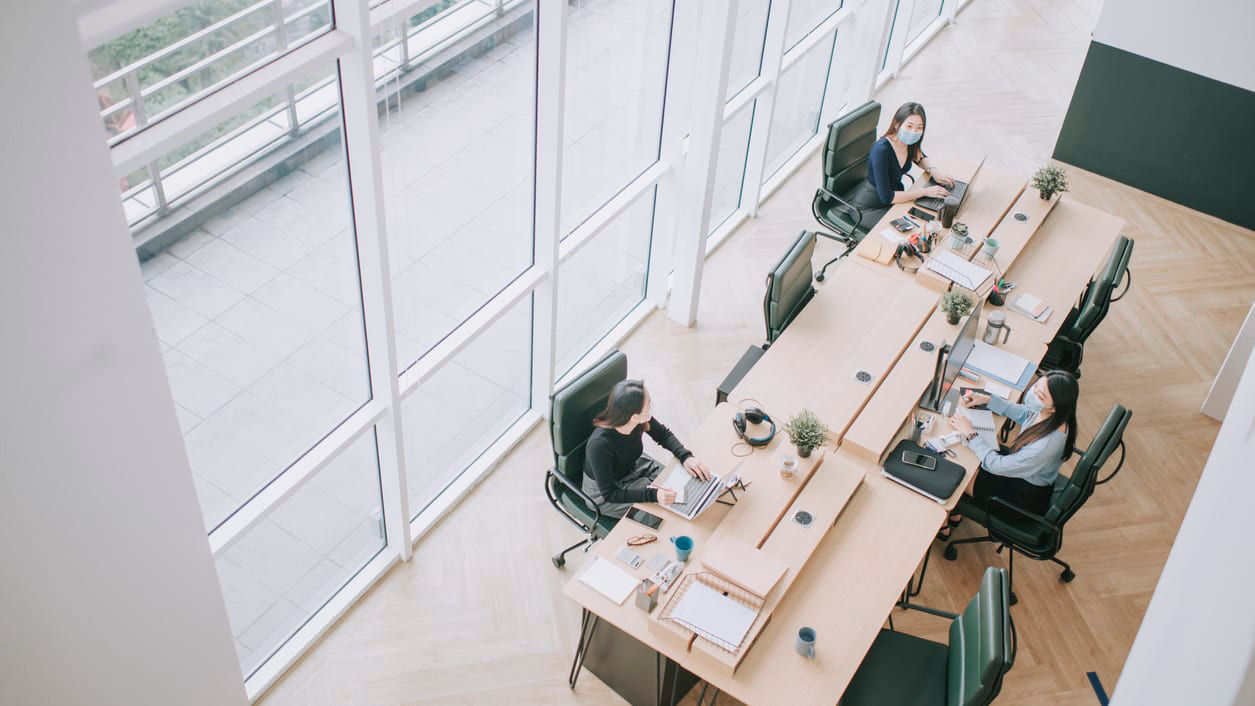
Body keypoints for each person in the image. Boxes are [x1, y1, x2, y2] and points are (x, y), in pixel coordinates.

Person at [938, 371, 1080, 539]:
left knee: (954, 470)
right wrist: (989, 400)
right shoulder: (1053, 415)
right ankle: (955, 514)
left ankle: (944, 524)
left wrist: (970, 433)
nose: (1033, 394)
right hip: (1021, 470)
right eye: (1035, 386)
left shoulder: (1046, 445)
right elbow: (1026, 414)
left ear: (1055, 407)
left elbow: (995, 465)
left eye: (1040, 396)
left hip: (1020, 498)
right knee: (964, 456)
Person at [582, 380, 711, 519]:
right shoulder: (599, 445)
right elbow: (610, 493)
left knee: (679, 483)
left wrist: (685, 457)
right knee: (662, 510)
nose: (650, 408)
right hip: (605, 494)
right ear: (634, 417)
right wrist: (653, 495)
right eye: (648, 405)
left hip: (631, 467)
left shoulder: (636, 419)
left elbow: (663, 434)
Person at [845, 101, 957, 228]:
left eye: (919, 127)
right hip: (867, 208)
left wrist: (934, 171)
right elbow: (887, 197)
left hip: (894, 198)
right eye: (909, 126)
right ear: (897, 124)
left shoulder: (908, 143)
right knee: (909, 229)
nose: (914, 131)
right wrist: (924, 192)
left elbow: (920, 157)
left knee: (923, 219)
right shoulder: (881, 150)